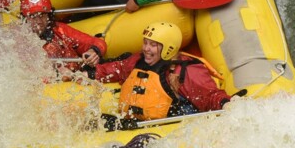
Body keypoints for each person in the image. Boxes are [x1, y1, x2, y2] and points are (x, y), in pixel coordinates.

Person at [91, 22, 233, 121]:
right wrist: (89, 74)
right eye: (145, 42)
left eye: (153, 45)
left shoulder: (186, 70)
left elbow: (209, 96)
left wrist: (226, 103)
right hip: (138, 122)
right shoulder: (138, 59)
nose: (146, 48)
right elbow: (119, 68)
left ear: (169, 48)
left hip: (169, 126)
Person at [19, 0, 106, 75]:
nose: (38, 21)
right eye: (33, 16)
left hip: (78, 74)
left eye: (42, 15)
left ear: (49, 15)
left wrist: (93, 51)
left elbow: (98, 42)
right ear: (25, 18)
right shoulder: (19, 41)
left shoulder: (60, 30)